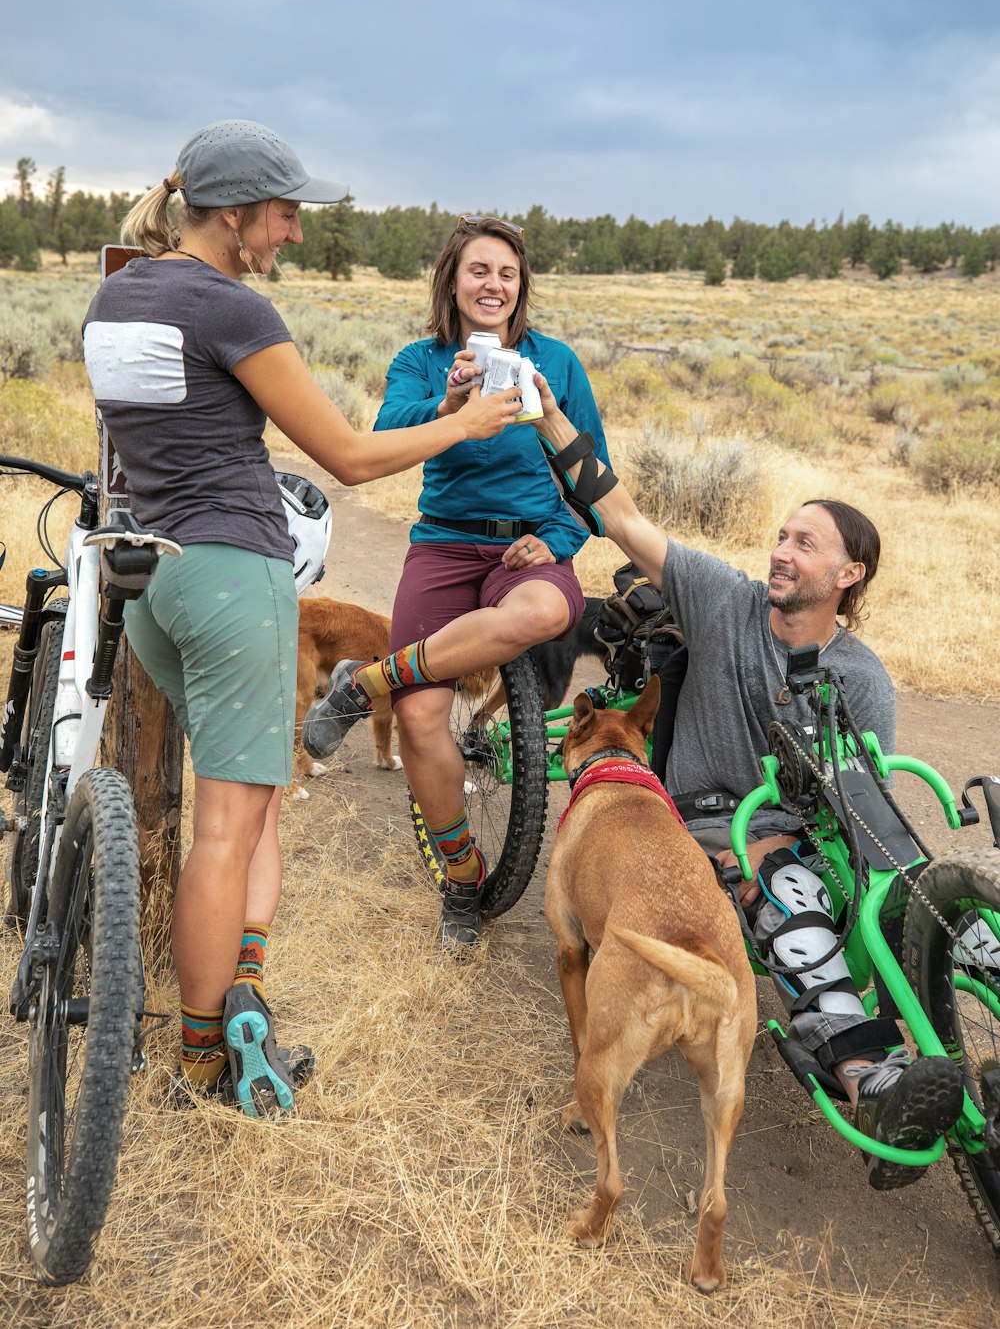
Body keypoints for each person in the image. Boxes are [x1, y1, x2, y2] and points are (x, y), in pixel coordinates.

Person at [81, 123, 521, 1115]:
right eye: (284, 213)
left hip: (156, 582)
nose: (293, 232)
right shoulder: (233, 306)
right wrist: (466, 422)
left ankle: (243, 992)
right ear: (233, 212)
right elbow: (351, 459)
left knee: (253, 802)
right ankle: (205, 1064)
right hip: (234, 577)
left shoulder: (119, 295)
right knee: (226, 830)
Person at [520, 378, 964, 1192]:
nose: (780, 553)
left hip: (801, 830)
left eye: (804, 544)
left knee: (900, 893)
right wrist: (551, 416)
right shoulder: (726, 602)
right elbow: (621, 517)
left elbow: (862, 804)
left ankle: (939, 1044)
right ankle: (870, 1078)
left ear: (849, 573)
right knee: (781, 888)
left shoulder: (862, 680)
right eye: (781, 536)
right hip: (694, 824)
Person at [302, 214, 609, 949]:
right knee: (419, 720)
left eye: (507, 273)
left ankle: (366, 682)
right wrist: (445, 406)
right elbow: (383, 434)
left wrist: (558, 538)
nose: (493, 285)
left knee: (541, 614)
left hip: (529, 553)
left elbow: (591, 470)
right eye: (479, 270)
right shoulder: (421, 359)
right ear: (453, 280)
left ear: (521, 286)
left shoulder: (556, 361)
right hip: (443, 547)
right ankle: (464, 881)